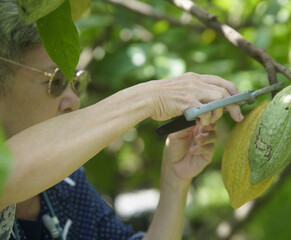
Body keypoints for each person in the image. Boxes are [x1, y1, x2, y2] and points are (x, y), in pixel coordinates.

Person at [0, 1, 243, 239]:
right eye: (56, 81)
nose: (73, 100)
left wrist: (175, 180)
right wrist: (149, 97)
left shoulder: (67, 185)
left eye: (76, 82)